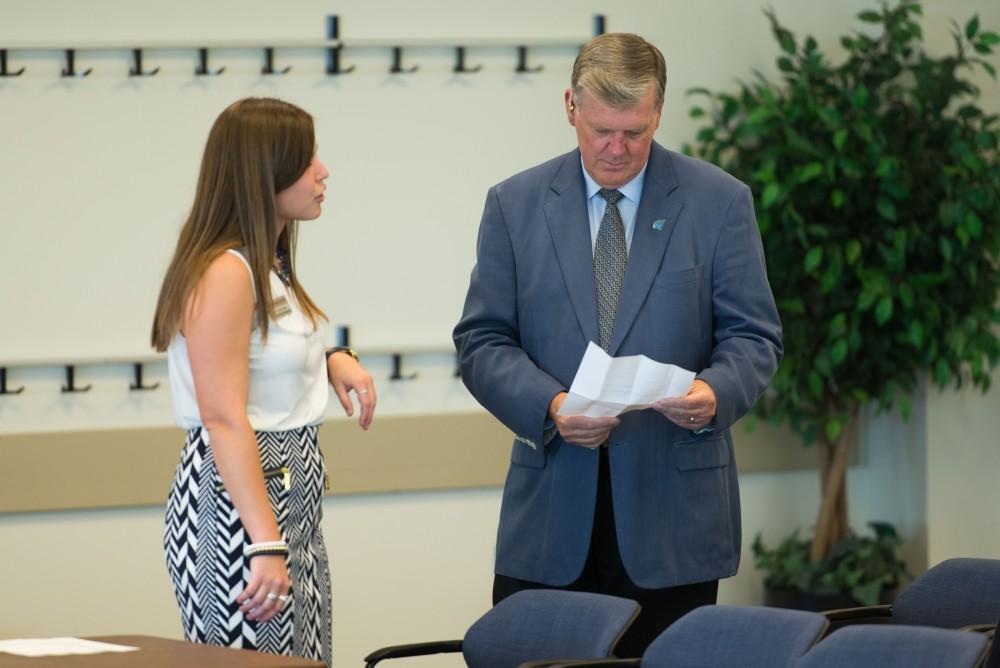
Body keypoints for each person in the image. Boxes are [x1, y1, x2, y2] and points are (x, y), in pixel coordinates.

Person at [453, 33, 782, 656]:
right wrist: (551, 406)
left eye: (634, 131)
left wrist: (716, 391)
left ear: (658, 111)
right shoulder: (515, 205)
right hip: (551, 517)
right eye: (602, 129)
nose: (616, 148)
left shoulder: (719, 202)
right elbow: (482, 341)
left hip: (673, 520)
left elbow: (754, 335)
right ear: (570, 106)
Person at [151, 97, 376, 667]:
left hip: (283, 501)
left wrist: (331, 358)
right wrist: (265, 542)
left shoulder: (264, 263)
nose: (323, 172)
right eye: (306, 161)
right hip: (242, 512)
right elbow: (224, 417)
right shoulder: (226, 271)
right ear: (263, 173)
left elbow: (257, 357)